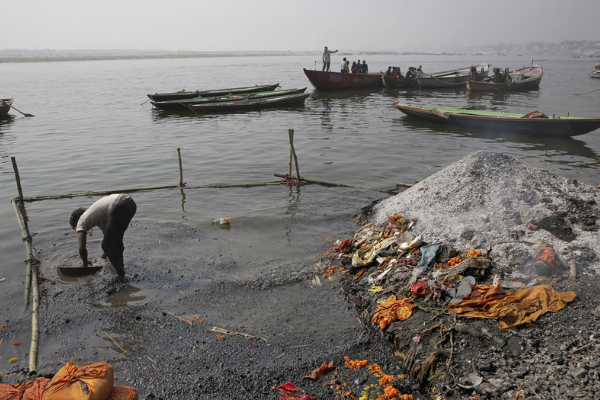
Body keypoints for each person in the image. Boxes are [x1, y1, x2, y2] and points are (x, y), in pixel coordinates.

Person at [70, 194, 137, 276]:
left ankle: (122, 276)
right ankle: (121, 268)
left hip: (120, 206)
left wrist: (85, 262)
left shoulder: (81, 220)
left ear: (77, 220)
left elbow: (82, 248)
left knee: (108, 244)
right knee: (116, 241)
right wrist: (102, 258)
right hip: (130, 204)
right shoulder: (99, 216)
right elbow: (110, 239)